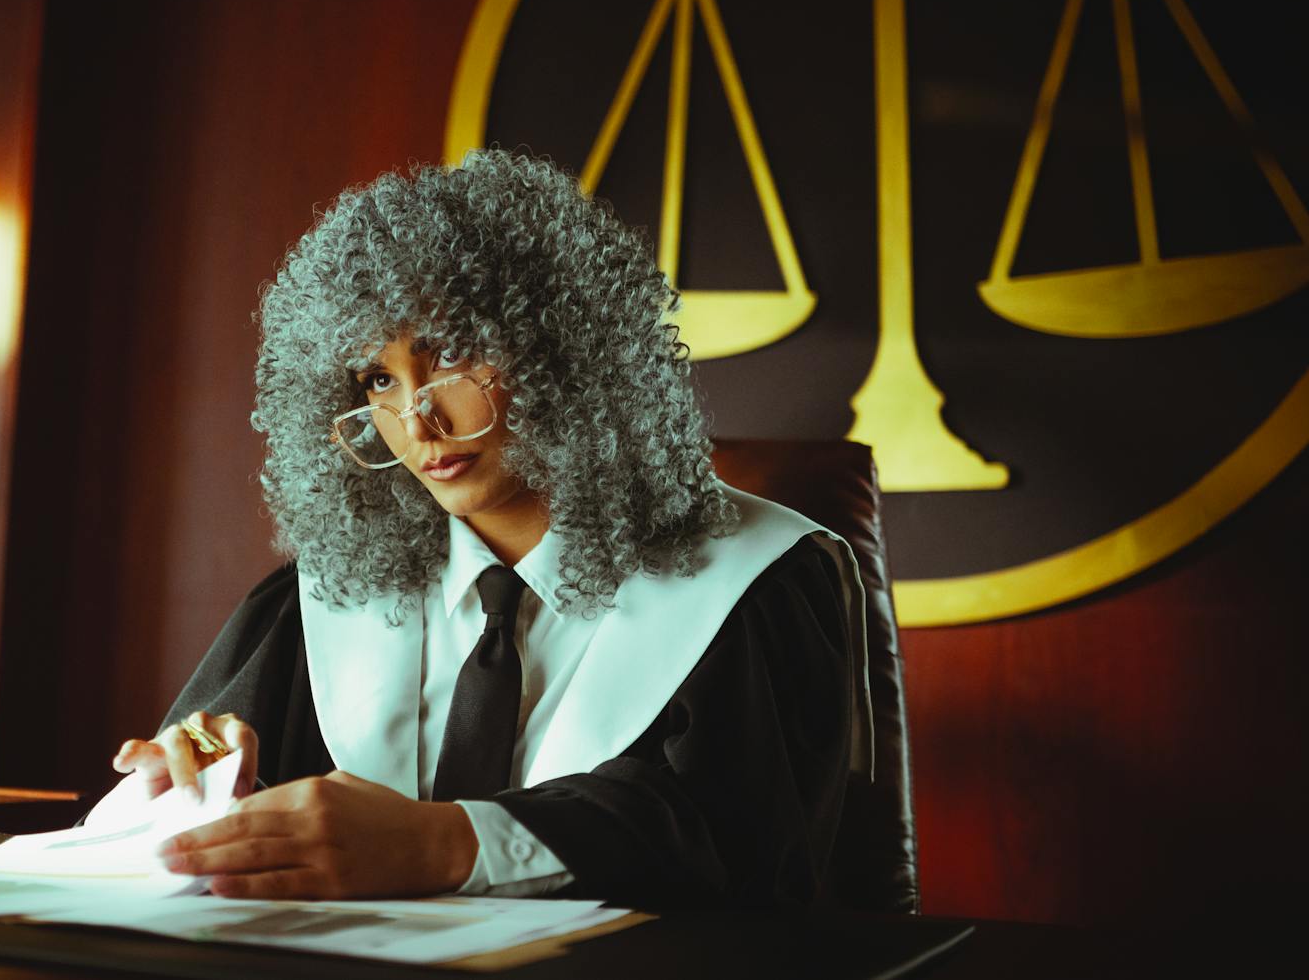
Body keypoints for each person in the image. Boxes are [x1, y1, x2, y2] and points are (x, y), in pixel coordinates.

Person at [90, 149, 870, 907]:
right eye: (377, 378)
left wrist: (443, 842)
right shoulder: (326, 601)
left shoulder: (755, 584)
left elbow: (738, 850)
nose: (415, 417)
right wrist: (205, 787)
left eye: (454, 355)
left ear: (564, 347)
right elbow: (184, 841)